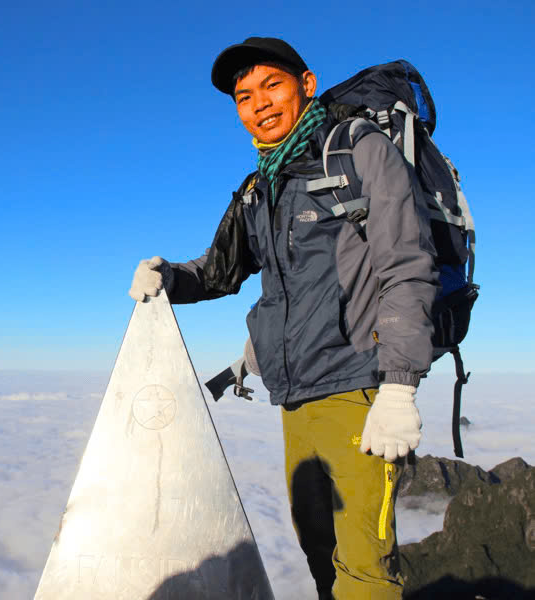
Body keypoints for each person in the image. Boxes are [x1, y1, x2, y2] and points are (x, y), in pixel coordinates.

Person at [128, 37, 440, 600]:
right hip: (295, 399)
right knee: (319, 552)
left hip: (361, 392)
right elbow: (219, 271)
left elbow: (407, 265)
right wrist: (168, 276)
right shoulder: (259, 188)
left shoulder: (356, 150)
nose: (260, 104)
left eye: (272, 85)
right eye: (244, 97)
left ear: (307, 84)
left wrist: (399, 386)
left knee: (366, 568)